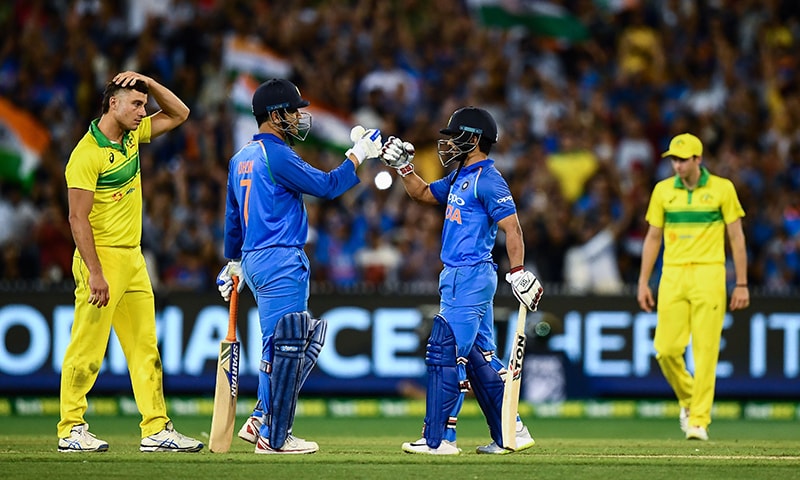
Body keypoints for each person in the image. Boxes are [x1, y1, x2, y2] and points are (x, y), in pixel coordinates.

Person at [215, 78, 381, 454]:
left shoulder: (239, 157)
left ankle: (261, 416)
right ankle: (275, 436)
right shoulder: (277, 154)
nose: (297, 117)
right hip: (280, 260)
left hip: (256, 260)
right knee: (287, 348)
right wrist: (358, 154)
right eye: (292, 111)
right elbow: (326, 186)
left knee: (294, 341)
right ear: (275, 115)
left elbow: (232, 219)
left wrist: (234, 261)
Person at [379, 106, 543, 455]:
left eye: (455, 137)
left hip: (469, 274)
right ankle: (510, 430)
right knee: (480, 358)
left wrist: (517, 272)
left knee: (446, 352)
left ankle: (440, 439)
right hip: (459, 274)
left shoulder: (488, 179)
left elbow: (511, 227)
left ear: (473, 139)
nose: (449, 143)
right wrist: (403, 167)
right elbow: (422, 194)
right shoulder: (459, 177)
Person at [59, 71, 203, 453]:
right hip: (101, 260)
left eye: (144, 104)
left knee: (145, 348)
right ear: (113, 104)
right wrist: (94, 272)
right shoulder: (86, 155)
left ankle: (156, 428)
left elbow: (180, 113)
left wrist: (148, 83)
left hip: (134, 258)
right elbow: (76, 218)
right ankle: (70, 428)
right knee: (87, 348)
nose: (144, 111)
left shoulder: (130, 138)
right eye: (137, 104)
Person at [637, 132, 749, 441]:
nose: (676, 165)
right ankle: (689, 399)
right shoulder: (662, 191)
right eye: (673, 159)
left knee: (705, 351)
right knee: (665, 350)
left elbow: (737, 238)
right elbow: (653, 238)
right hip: (672, 275)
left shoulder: (722, 189)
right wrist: (644, 281)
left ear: (698, 160)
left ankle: (699, 419)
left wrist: (741, 283)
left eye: (682, 159)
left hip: (710, 275)